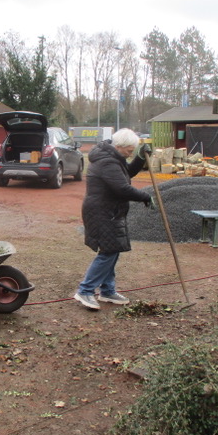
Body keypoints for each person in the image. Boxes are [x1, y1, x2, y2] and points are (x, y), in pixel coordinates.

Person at [74, 128, 154, 310]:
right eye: (129, 150)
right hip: (102, 212)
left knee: (112, 249)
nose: (130, 153)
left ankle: (107, 290)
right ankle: (85, 290)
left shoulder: (113, 158)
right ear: (119, 146)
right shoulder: (107, 162)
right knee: (108, 252)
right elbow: (122, 188)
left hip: (109, 210)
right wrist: (145, 196)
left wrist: (140, 158)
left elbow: (126, 174)